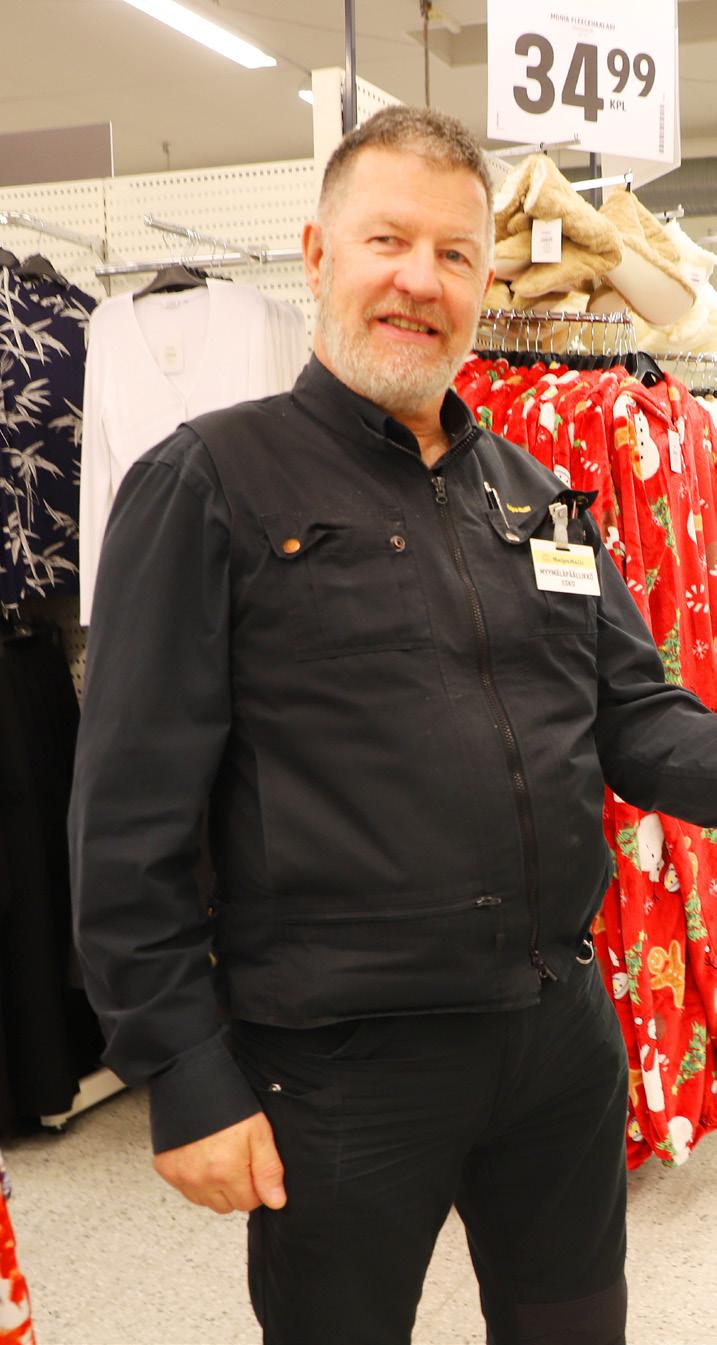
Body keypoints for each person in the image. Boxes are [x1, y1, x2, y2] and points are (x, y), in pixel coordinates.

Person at [69, 106, 717, 1345]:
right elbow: (127, 815)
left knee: (575, 1328)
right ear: (318, 254)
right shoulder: (209, 483)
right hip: (339, 1064)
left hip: (557, 1041)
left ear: (483, 284)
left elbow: (638, 718)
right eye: (389, 241)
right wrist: (182, 1071)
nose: (422, 280)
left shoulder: (537, 497)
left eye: (456, 254)